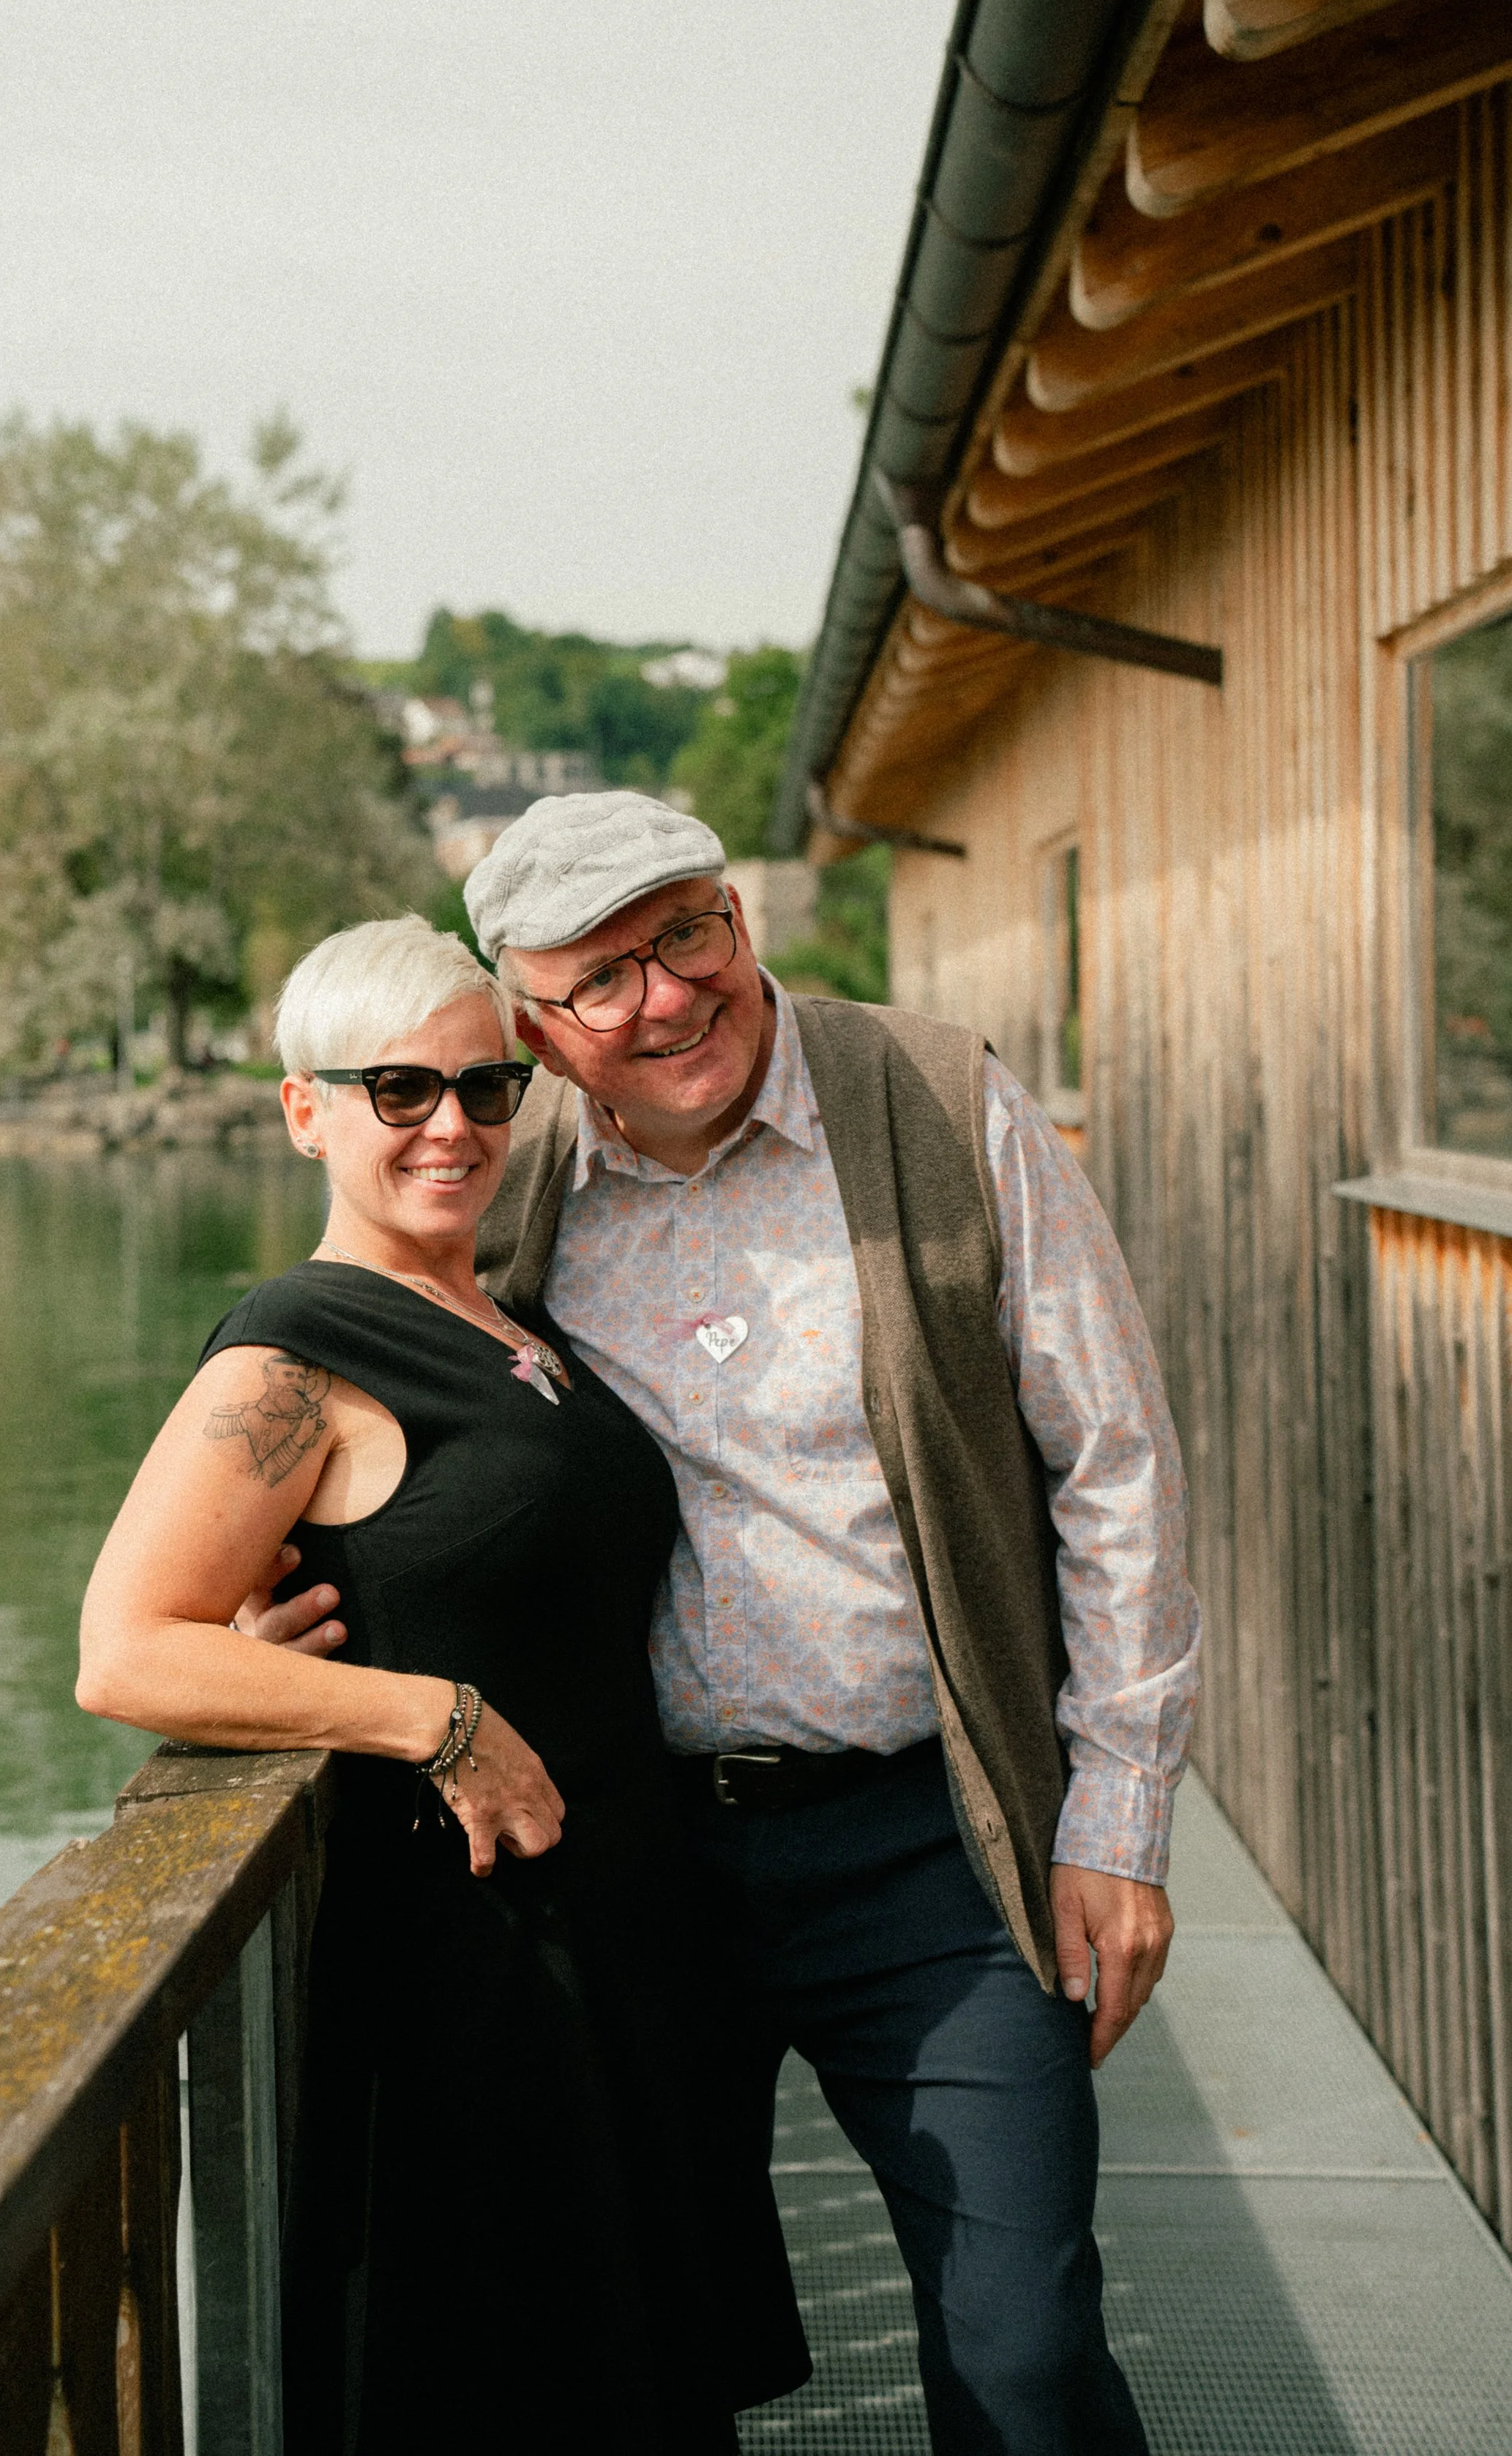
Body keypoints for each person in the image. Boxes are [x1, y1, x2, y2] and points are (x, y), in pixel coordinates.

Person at [454, 788, 1199, 2455]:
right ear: (531, 1024)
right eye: (598, 978)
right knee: (652, 2351)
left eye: (684, 934)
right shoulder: (497, 1182)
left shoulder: (938, 1099)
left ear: (739, 912)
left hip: (934, 1848)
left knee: (1020, 2353)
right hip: (635, 1862)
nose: (662, 995)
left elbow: (1115, 1467)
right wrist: (303, 1633)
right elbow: (377, 1422)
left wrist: (1119, 1818)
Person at [75, 913, 807, 2456]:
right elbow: (128, 1647)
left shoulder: (507, 1319)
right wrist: (428, 1717)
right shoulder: (291, 1357)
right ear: (304, 1110)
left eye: (485, 1089)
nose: (451, 1127)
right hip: (474, 1971)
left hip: (622, 1949)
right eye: (397, 1090)